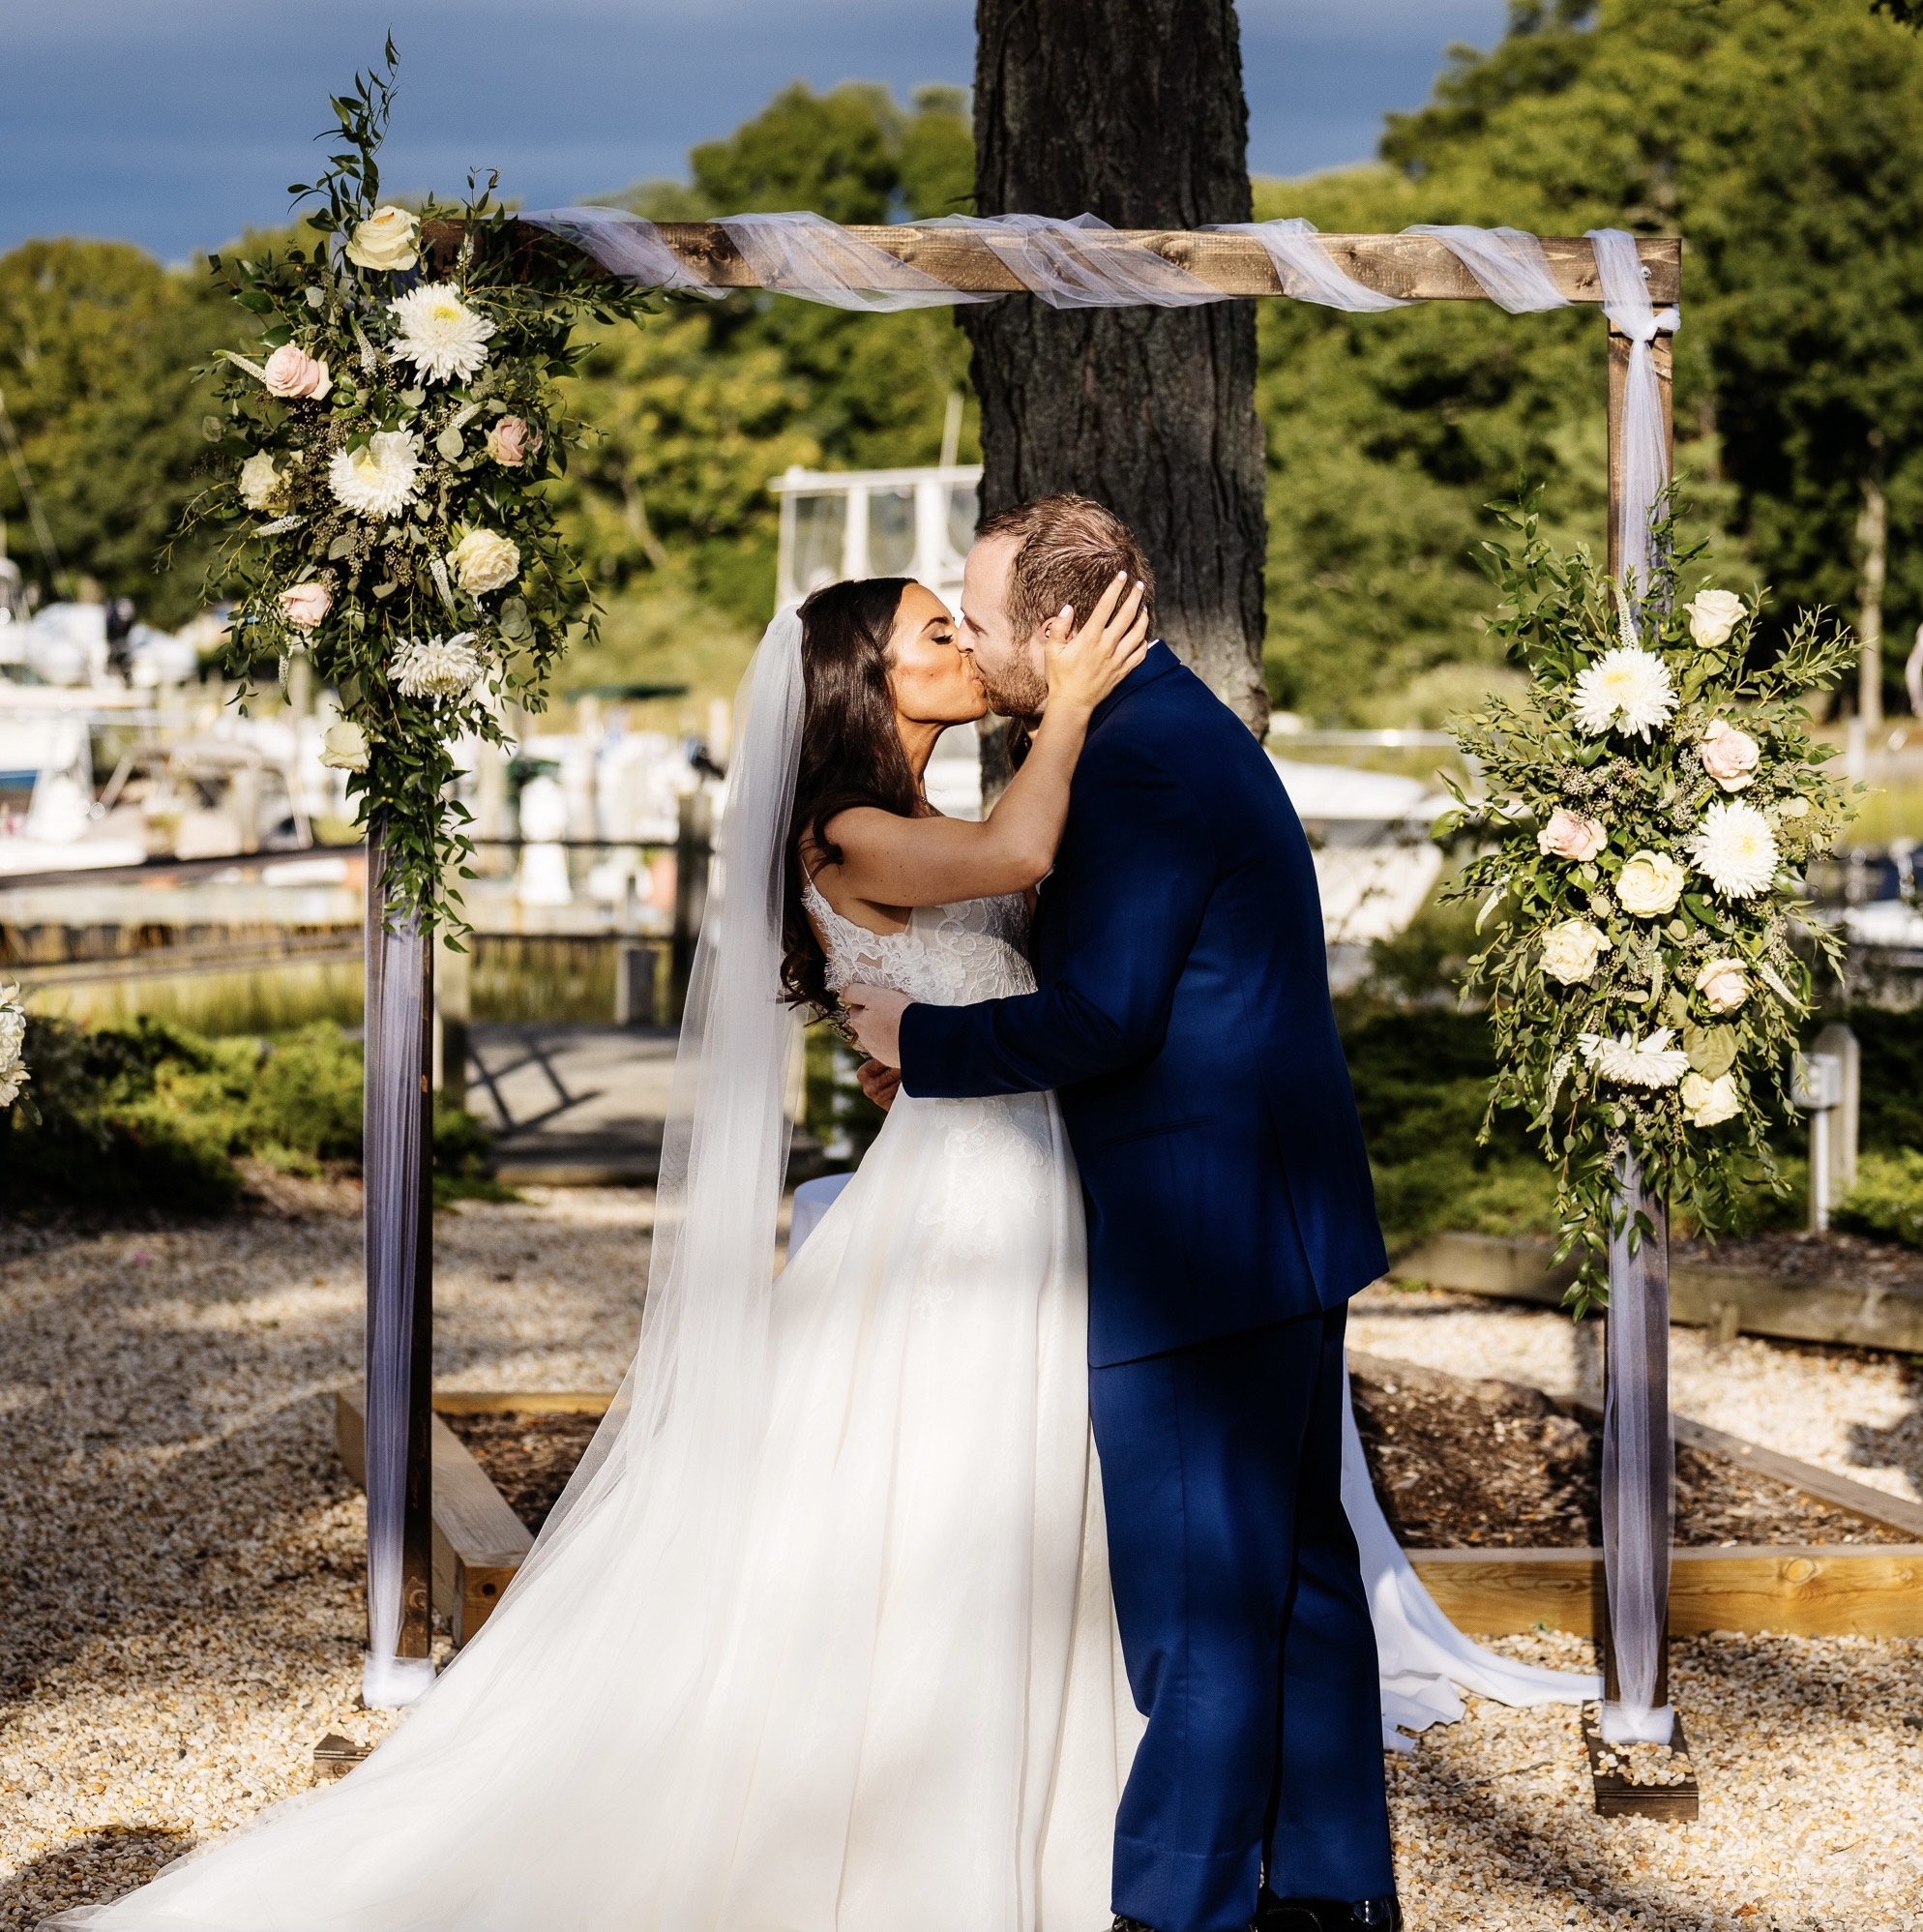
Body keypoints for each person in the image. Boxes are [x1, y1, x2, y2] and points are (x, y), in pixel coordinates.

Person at [47, 571, 1154, 1932]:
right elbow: (1026, 856)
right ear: (870, 682)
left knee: (1003, 1501)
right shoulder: (843, 828)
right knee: (952, 1495)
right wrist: (1078, 702)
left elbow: (974, 963)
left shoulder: (916, 817)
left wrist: (920, 1047)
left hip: (1005, 1175)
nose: (962, 648)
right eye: (936, 633)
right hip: (960, 1214)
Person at [843, 495, 1401, 1932]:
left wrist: (924, 1037)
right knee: (1295, 1572)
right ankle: (1331, 1890)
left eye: (980, 619)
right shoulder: (1156, 732)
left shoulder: (1143, 764)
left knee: (1200, 1604)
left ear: (1064, 626)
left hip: (1194, 1237)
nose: (970, 641)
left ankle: (1178, 1909)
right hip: (1265, 1218)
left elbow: (1105, 1019)